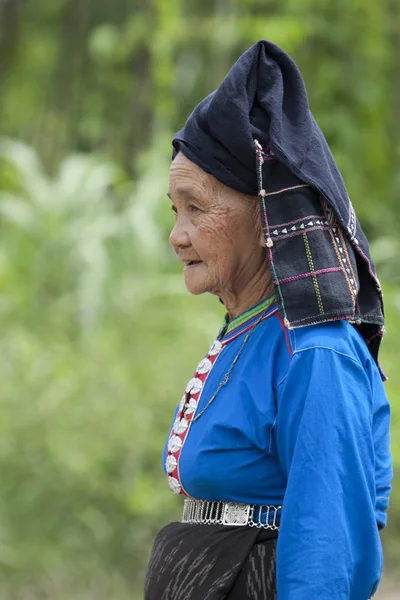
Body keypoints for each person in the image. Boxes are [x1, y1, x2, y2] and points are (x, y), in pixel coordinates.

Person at [144, 40, 392, 600]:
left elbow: (327, 547)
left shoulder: (316, 351)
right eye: (173, 209)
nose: (176, 235)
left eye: (196, 207)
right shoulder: (249, 330)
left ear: (265, 219)